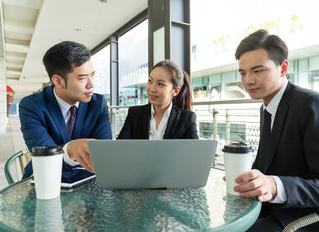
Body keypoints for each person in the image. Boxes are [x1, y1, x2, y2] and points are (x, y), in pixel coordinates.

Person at [233, 30, 319, 232]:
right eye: (242, 72)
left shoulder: (313, 105)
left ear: (283, 68)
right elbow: (270, 168)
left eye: (257, 71)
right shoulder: (267, 107)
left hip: (301, 220)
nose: (248, 80)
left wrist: (275, 186)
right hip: (269, 211)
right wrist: (247, 179)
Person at [19, 41, 112, 182]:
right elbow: (45, 157)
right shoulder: (31, 106)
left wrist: (62, 152)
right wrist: (69, 149)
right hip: (45, 180)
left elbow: (103, 153)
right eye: (82, 77)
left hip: (89, 181)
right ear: (58, 81)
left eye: (92, 75)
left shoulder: (98, 104)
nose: (91, 83)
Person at [117, 60, 198, 139]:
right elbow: (120, 147)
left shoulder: (186, 118)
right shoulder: (134, 114)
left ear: (175, 91)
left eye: (160, 84)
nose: (152, 89)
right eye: (150, 81)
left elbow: (195, 150)